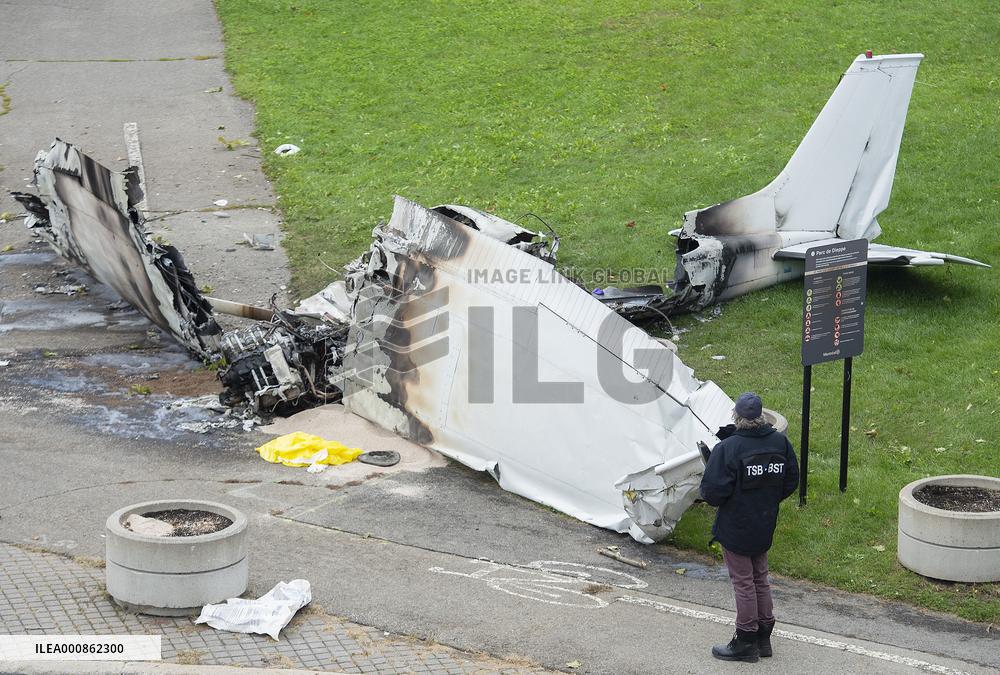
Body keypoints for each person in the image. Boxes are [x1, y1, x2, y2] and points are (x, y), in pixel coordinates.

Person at [700, 392, 799, 663]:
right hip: (764, 522)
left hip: (736, 526)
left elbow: (712, 493)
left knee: (743, 582)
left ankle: (745, 640)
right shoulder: (780, 442)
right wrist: (766, 499)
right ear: (761, 417)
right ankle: (764, 637)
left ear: (736, 417)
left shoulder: (728, 449)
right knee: (760, 578)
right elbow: (791, 479)